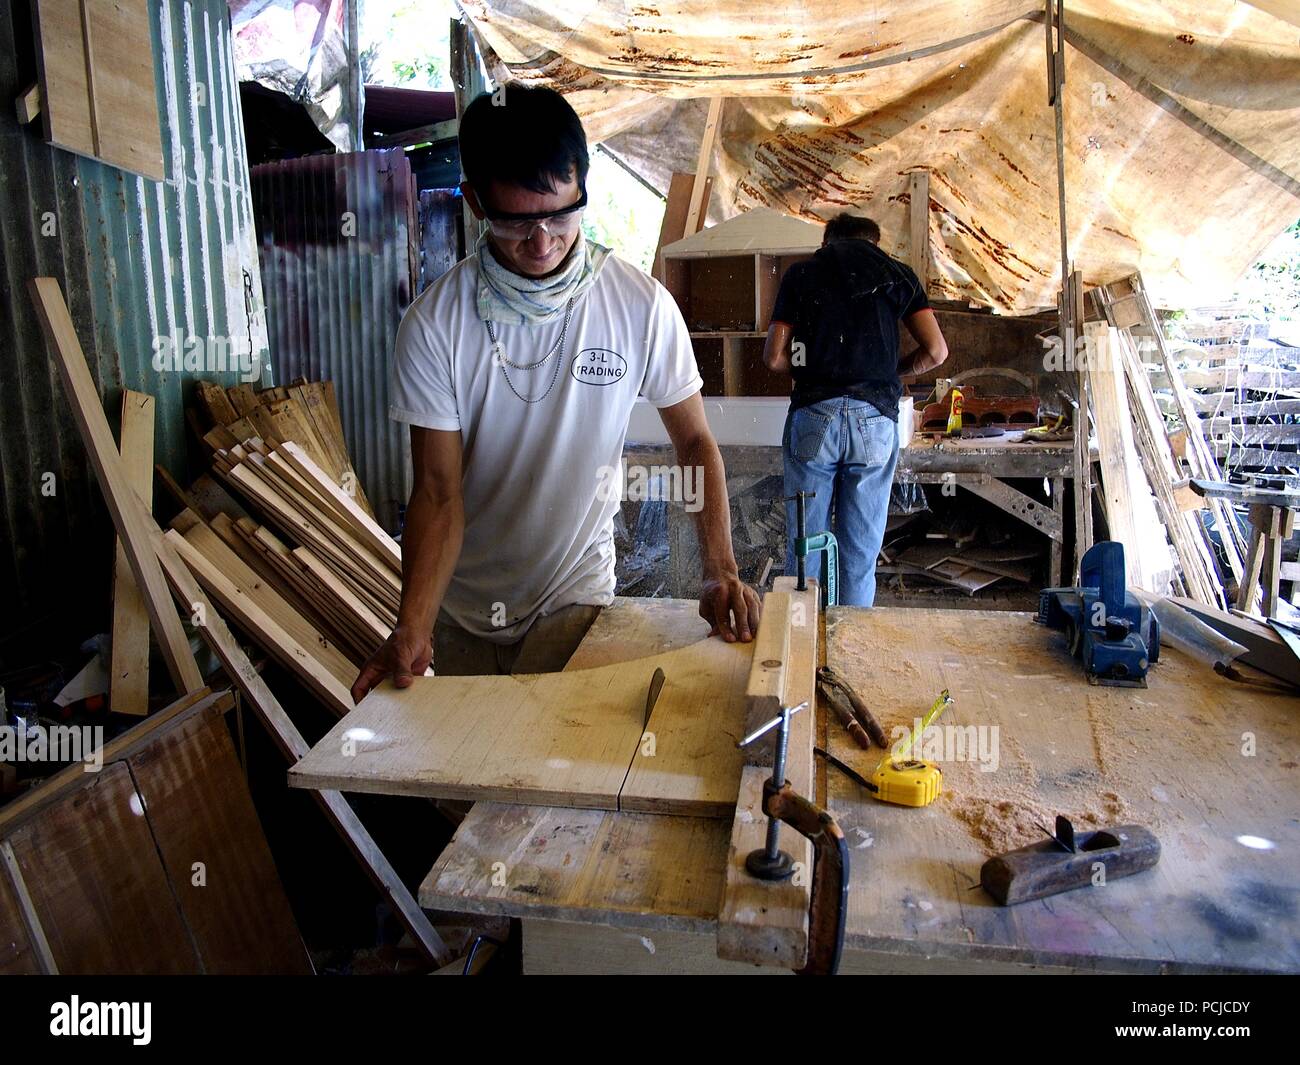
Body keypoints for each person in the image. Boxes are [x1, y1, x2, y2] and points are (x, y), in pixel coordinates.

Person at [351, 85, 759, 700]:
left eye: (561, 214)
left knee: (560, 763)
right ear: (476, 203)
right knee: (478, 778)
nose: (542, 242)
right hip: (463, 606)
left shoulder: (638, 306)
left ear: (583, 191)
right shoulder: (436, 325)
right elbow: (438, 491)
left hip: (574, 591)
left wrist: (720, 570)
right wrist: (413, 626)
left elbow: (695, 441)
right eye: (517, 221)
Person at [763, 213, 949, 606]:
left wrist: (808, 371)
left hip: (815, 416)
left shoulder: (801, 274)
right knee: (861, 553)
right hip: (876, 420)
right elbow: (936, 351)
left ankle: (797, 646)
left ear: (827, 241)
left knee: (804, 548)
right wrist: (891, 372)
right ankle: (849, 649)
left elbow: (774, 356)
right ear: (874, 243)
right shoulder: (899, 274)